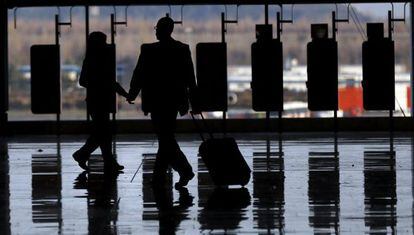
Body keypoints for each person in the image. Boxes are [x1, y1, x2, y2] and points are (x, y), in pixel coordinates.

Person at [127, 16, 198, 188]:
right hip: (174, 101)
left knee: (165, 138)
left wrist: (132, 94)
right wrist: (195, 102)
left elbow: (139, 74)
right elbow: (190, 79)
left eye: (157, 28)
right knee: (166, 138)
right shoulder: (182, 49)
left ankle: (181, 171)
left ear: (160, 29)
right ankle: (164, 175)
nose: (156, 31)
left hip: (156, 101)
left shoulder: (148, 50)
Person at [73, 31, 126, 172]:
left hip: (95, 101)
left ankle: (88, 156)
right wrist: (123, 93)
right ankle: (84, 155)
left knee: (102, 133)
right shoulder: (101, 61)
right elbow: (110, 82)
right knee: (103, 133)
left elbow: (83, 81)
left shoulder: (90, 60)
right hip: (101, 101)